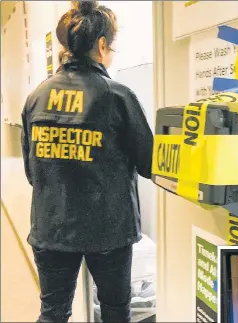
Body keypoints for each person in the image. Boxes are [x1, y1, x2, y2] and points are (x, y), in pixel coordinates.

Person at [20, 1, 154, 322]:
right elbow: (150, 162)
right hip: (109, 230)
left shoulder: (37, 96)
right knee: (114, 311)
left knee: (53, 312)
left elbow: (31, 171)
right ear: (102, 44)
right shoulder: (118, 96)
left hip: (52, 226)